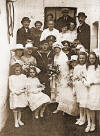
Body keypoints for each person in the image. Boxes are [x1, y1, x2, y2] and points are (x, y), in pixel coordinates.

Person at [83, 52, 100, 132]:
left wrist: (92, 83)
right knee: (90, 107)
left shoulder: (98, 68)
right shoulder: (86, 67)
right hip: (88, 89)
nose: (91, 60)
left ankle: (96, 124)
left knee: (96, 106)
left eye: (93, 58)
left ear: (96, 59)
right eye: (90, 58)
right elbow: (83, 77)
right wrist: (85, 82)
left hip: (96, 89)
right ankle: (91, 123)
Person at [9, 63, 28, 127]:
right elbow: (10, 87)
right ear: (14, 70)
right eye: (16, 70)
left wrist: (21, 91)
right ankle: (15, 121)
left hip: (21, 93)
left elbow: (26, 85)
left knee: (20, 108)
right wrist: (15, 92)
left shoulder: (23, 76)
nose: (17, 71)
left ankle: (19, 119)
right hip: (15, 94)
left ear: (21, 70)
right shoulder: (11, 77)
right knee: (15, 108)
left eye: (19, 70)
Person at [73, 52, 88, 126]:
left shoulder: (87, 67)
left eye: (83, 58)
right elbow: (74, 77)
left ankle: (84, 118)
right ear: (78, 59)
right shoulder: (76, 67)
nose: (81, 59)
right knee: (79, 102)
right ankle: (81, 116)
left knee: (83, 103)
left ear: (85, 59)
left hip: (84, 86)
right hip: (78, 86)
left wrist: (82, 77)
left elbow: (87, 77)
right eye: (80, 58)